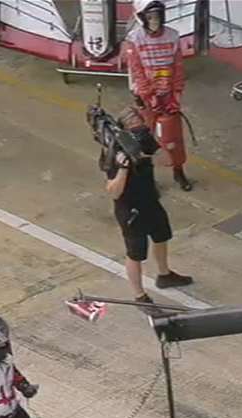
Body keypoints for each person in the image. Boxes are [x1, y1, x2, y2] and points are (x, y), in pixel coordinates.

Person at [103, 120, 192, 304]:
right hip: (130, 211)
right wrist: (124, 169)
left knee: (161, 237)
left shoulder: (145, 141)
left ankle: (164, 274)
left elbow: (167, 160)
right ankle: (139, 295)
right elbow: (114, 191)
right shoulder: (115, 154)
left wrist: (147, 156)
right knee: (135, 254)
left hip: (150, 201)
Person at [121, 0, 192, 192]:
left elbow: (178, 68)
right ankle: (148, 177)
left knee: (173, 135)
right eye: (150, 17)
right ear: (141, 18)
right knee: (145, 138)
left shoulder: (173, 36)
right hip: (145, 98)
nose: (155, 21)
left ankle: (178, 170)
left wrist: (175, 95)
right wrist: (148, 97)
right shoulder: (134, 40)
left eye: (158, 16)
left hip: (168, 95)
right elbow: (137, 72)